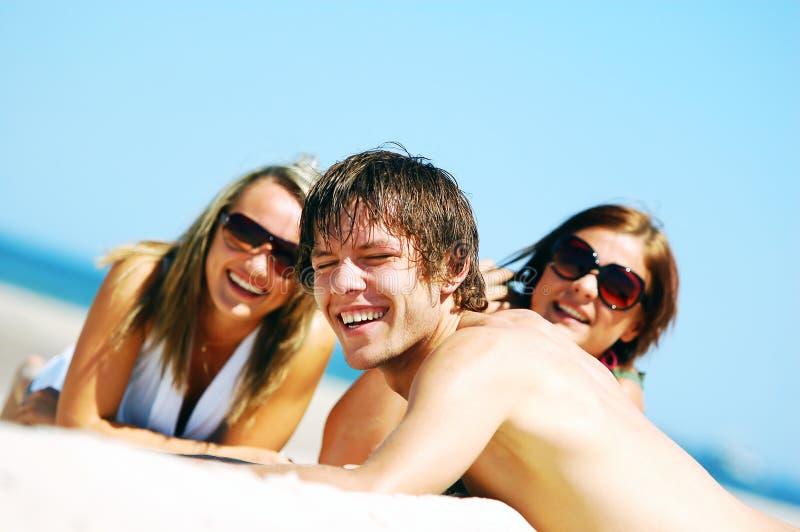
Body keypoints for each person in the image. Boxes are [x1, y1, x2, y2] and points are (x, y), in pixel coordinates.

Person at [253, 147, 790, 531]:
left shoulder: (479, 357)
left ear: (455, 267)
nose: (343, 283)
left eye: (377, 258)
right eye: (323, 264)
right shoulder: (516, 341)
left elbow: (374, 487)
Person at [1, 160, 336, 464]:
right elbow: (238, 461)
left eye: (288, 258)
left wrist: (87, 426)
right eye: (245, 233)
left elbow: (242, 469)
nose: (258, 269)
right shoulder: (141, 279)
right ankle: (31, 378)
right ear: (214, 224)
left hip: (71, 416)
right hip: (51, 396)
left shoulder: (305, 338)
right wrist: (78, 423)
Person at [319, 205, 675, 466]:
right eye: (574, 258)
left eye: (618, 286)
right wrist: (436, 320)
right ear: (546, 262)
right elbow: (343, 450)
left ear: (635, 325)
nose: (584, 286)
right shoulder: (475, 325)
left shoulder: (618, 393)